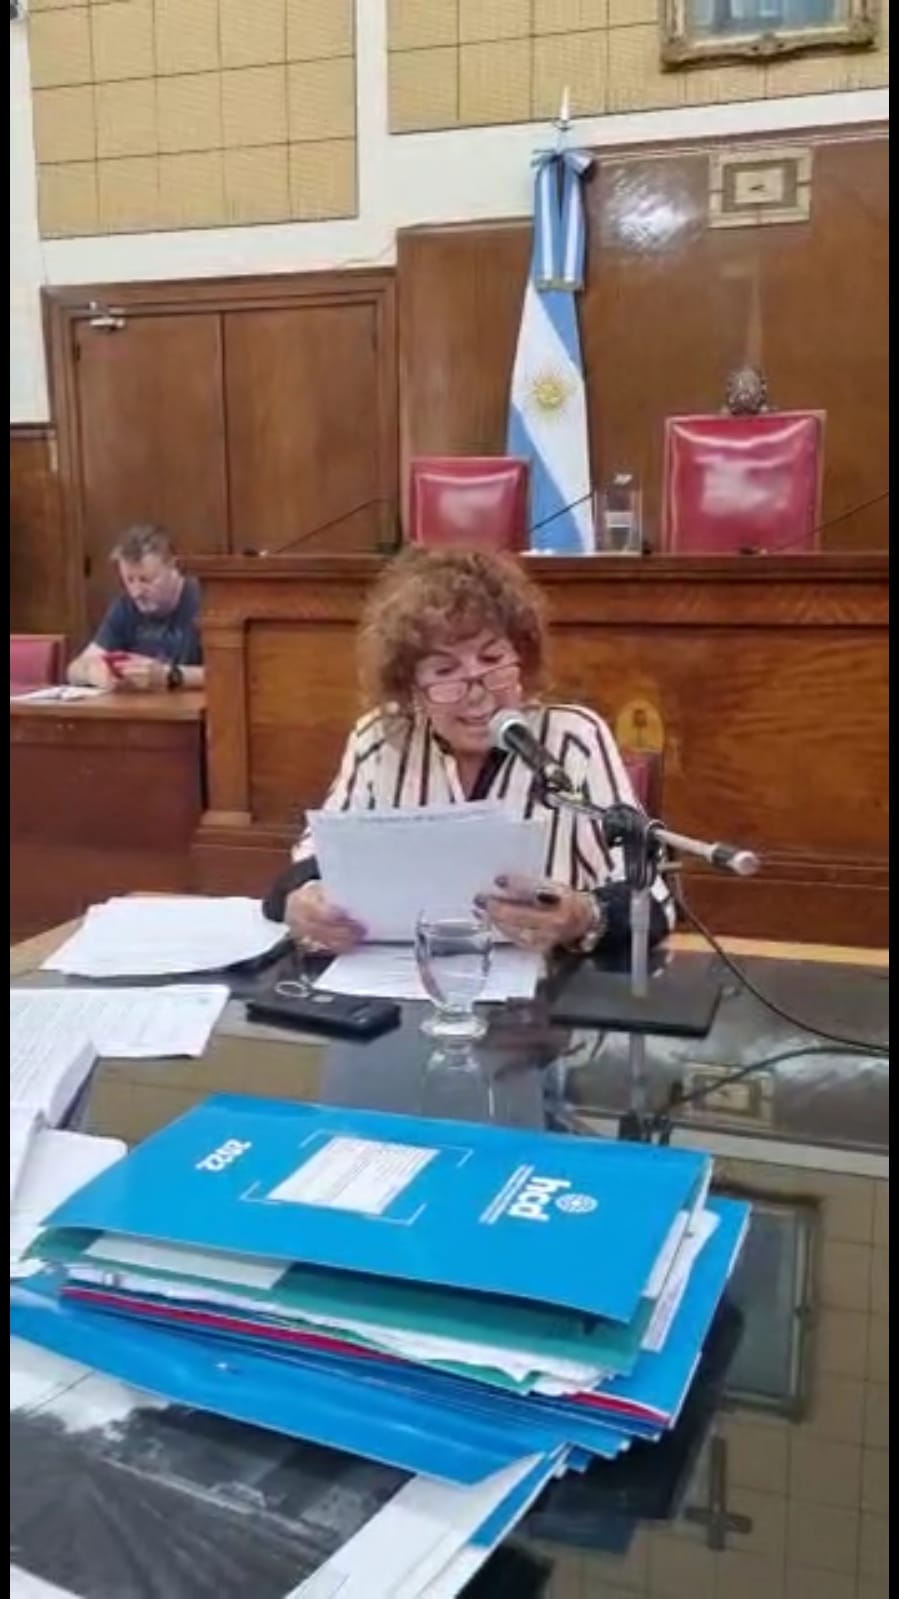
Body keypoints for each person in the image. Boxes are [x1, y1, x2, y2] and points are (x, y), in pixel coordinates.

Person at [265, 546, 674, 957]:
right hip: (399, 980)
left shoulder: (574, 738)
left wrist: (583, 915)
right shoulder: (379, 739)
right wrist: (304, 902)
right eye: (445, 672)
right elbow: (306, 871)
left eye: (492, 659)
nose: (477, 694)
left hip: (545, 984)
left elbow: (653, 904)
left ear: (522, 659)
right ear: (411, 687)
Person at [67, 525, 204, 693]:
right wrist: (91, 672)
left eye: (146, 580)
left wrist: (169, 676)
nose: (136, 592)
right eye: (129, 580)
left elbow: (228, 673)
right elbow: (74, 669)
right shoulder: (126, 606)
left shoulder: (205, 602)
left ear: (173, 567)